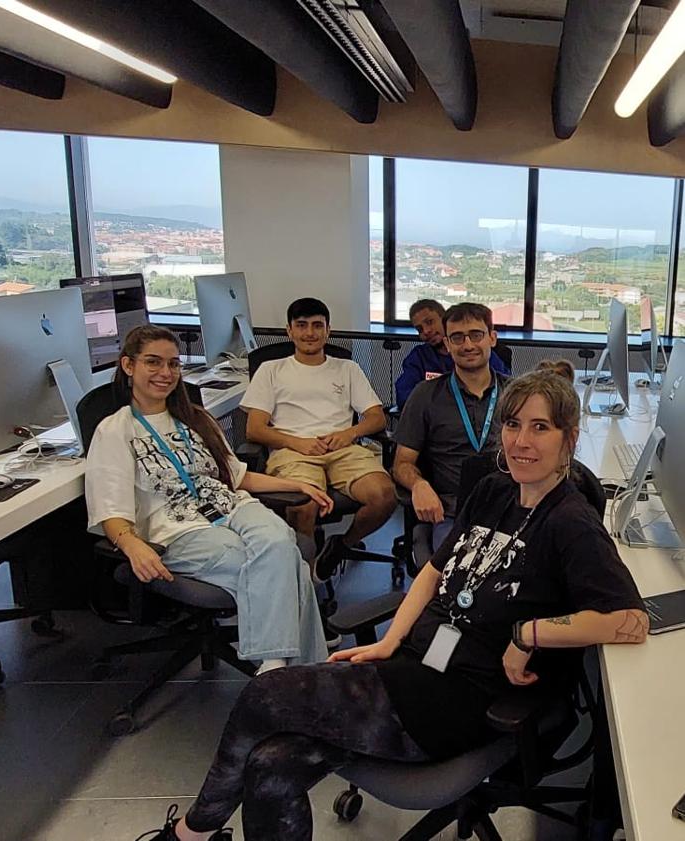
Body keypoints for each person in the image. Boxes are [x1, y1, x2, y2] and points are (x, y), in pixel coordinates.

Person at [136, 366, 648, 841]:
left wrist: (528, 635)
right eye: (513, 424)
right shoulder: (495, 489)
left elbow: (630, 620)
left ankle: (192, 833)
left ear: (569, 440)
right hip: (414, 664)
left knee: (265, 694)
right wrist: (390, 642)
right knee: (273, 764)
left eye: (541, 428)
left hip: (461, 695)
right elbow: (431, 571)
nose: (520, 441)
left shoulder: (571, 523)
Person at [85, 325, 333, 674]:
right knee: (285, 563)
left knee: (279, 540)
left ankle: (276, 665)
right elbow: (110, 507)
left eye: (173, 364)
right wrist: (129, 543)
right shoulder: (115, 430)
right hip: (178, 528)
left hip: (233, 506)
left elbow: (238, 476)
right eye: (153, 363)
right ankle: (295, 671)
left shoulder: (197, 419)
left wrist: (297, 484)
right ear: (128, 366)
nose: (165, 373)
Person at [242, 297, 396, 581]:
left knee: (385, 496)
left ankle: (341, 546)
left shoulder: (347, 369)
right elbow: (255, 429)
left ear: (328, 330)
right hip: (293, 451)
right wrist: (297, 442)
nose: (310, 333)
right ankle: (304, 576)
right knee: (304, 505)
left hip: (343, 449)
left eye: (317, 325)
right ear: (289, 331)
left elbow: (377, 418)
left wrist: (348, 433)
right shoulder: (271, 370)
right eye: (301, 326)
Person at [393, 302, 510, 550]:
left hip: (510, 507)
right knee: (457, 579)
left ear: (492, 338)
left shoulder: (516, 395)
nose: (467, 345)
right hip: (453, 514)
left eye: (476, 335)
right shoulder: (425, 395)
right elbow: (401, 464)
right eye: (457, 338)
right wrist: (418, 484)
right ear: (447, 344)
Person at [395, 298, 511, 410]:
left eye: (430, 322)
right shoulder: (419, 357)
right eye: (420, 329)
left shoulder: (478, 354)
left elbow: (505, 391)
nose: (426, 331)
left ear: (445, 320)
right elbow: (404, 397)